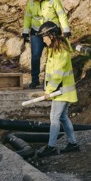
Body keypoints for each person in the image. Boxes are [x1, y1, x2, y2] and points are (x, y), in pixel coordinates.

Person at [35, 21, 79, 157]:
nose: (43, 40)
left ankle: (51, 147)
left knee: (54, 118)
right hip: (61, 90)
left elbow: (58, 74)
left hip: (62, 91)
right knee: (63, 117)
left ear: (52, 35)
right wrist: (48, 88)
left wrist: (49, 91)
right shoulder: (55, 49)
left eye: (44, 37)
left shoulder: (60, 51)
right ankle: (73, 143)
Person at [22, 0, 70, 88]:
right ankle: (35, 80)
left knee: (52, 56)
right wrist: (25, 32)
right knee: (35, 56)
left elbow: (62, 15)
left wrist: (66, 30)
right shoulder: (31, 2)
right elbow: (27, 18)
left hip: (51, 33)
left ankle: (49, 80)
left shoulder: (54, 1)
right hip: (36, 33)